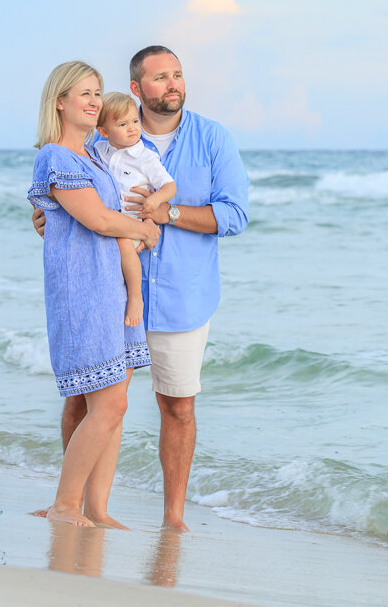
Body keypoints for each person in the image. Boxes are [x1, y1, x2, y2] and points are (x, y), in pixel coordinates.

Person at [33, 46, 249, 531]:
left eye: (177, 75)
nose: (172, 85)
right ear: (136, 89)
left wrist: (165, 214)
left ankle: (172, 519)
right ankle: (76, 506)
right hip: (107, 291)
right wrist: (49, 215)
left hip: (180, 296)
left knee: (176, 405)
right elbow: (76, 198)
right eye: (159, 78)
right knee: (88, 400)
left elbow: (235, 216)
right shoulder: (101, 139)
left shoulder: (212, 139)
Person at [27, 61, 161, 528]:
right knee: (109, 403)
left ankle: (96, 509)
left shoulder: (96, 157)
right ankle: (66, 505)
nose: (93, 100)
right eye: (83, 92)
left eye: (98, 92)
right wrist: (142, 229)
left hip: (113, 287)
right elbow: (98, 220)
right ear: (59, 101)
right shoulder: (55, 157)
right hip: (82, 289)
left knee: (112, 402)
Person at [93, 92, 176, 328]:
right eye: (122, 124)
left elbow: (170, 186)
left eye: (134, 121)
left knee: (123, 245)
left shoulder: (145, 157)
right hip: (106, 221)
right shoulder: (99, 151)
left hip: (130, 223)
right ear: (104, 131)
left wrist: (154, 201)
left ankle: (136, 298)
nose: (132, 129)